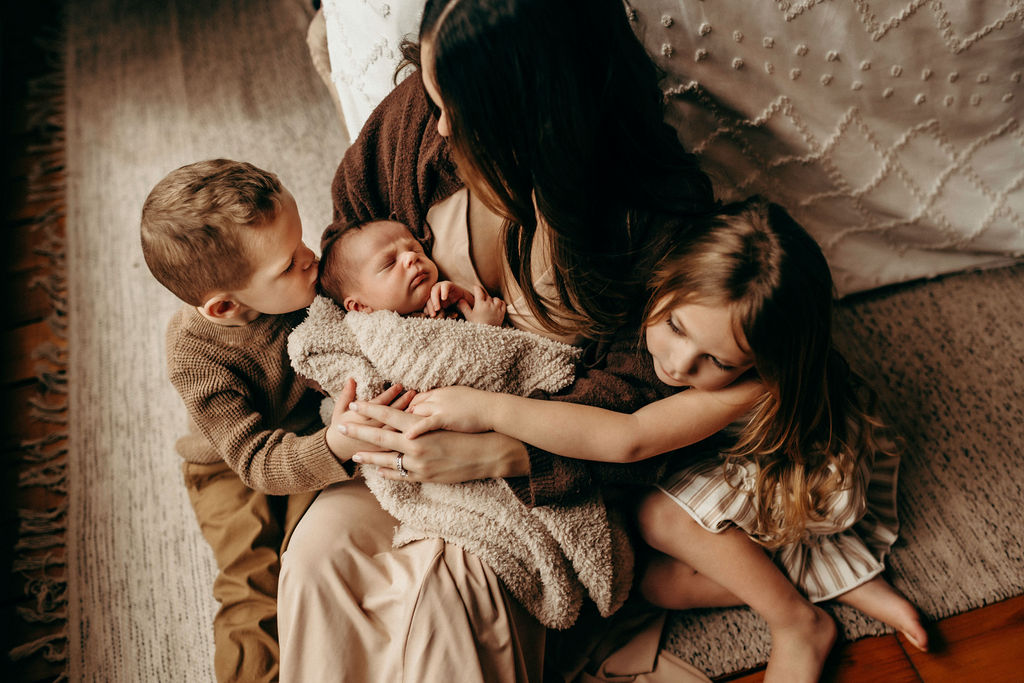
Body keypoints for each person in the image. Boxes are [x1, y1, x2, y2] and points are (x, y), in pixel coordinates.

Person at [276, 0, 719, 681]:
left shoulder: (645, 222)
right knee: (315, 562)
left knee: (438, 608)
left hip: (533, 479)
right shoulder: (419, 123)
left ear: (535, 119)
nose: (440, 123)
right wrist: (364, 400)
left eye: (461, 111)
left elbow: (640, 404)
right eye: (432, 96)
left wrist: (502, 451)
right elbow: (347, 241)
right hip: (397, 457)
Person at [398, 198, 929, 682]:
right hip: (720, 465)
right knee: (650, 586)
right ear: (665, 278)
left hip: (790, 478)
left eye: (716, 361)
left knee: (656, 514)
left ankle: (796, 620)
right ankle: (821, 577)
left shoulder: (756, 384)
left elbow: (630, 439)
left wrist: (490, 407)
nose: (678, 364)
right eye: (675, 327)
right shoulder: (650, 283)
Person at [140, 158, 412, 683]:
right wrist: (336, 445)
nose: (312, 260)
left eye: (302, 242)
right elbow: (257, 463)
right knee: (251, 584)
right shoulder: (194, 355)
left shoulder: (304, 283)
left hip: (309, 430)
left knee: (308, 560)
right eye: (289, 264)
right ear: (223, 307)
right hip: (231, 465)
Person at [318, 217, 506, 323]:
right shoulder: (388, 337)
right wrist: (485, 327)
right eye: (389, 263)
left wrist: (465, 299)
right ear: (360, 307)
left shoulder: (443, 296)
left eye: (414, 248)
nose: (410, 257)